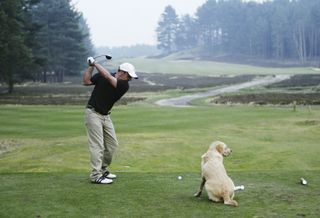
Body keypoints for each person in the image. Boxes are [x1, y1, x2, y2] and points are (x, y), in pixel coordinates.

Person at [83, 56, 138, 184]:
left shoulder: (124, 85)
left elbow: (108, 76)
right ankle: (96, 175)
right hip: (93, 113)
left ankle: (103, 169)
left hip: (105, 116)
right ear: (122, 72)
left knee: (112, 145)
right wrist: (90, 67)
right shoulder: (102, 76)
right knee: (97, 146)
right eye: (128, 75)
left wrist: (95, 63)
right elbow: (86, 81)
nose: (130, 79)